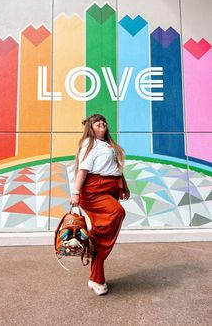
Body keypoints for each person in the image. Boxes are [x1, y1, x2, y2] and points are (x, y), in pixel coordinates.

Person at [70, 113, 130, 296]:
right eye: (97, 122)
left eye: (103, 121)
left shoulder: (108, 145)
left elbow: (115, 168)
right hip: (94, 190)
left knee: (105, 225)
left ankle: (96, 276)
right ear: (90, 127)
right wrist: (75, 193)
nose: (101, 123)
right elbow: (83, 170)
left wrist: (124, 186)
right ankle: (93, 243)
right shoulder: (89, 143)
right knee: (117, 212)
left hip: (110, 188)